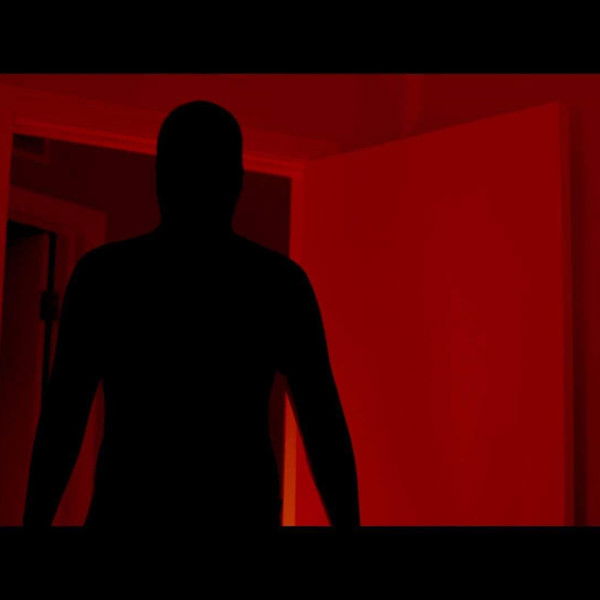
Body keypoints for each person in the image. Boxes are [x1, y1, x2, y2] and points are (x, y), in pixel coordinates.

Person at [23, 100, 360, 534]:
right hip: (237, 511)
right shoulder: (276, 283)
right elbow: (323, 424)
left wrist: (34, 522)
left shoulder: (106, 276)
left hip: (131, 508)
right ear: (237, 181)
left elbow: (62, 419)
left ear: (160, 178)